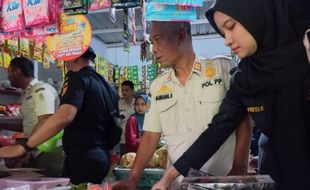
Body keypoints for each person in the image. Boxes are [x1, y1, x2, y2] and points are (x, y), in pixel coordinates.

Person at [152, 0, 310, 189]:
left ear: (256, 15)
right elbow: (216, 131)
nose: (227, 39)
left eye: (231, 27)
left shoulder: (306, 50)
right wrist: (168, 178)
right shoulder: (245, 79)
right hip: (280, 173)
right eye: (223, 32)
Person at [112, 21, 252, 190]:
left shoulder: (221, 69)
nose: (153, 49)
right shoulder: (159, 85)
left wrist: (240, 166)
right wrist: (132, 178)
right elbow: (150, 135)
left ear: (180, 35)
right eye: (151, 43)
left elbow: (242, 119)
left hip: (223, 181)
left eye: (157, 40)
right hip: (177, 184)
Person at [0, 47, 120, 185]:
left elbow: (65, 116)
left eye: (65, 58)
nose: (64, 63)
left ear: (74, 57)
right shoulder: (107, 86)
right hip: (101, 156)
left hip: (82, 157)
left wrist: (25, 146)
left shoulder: (76, 77)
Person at [3, 57, 62, 176]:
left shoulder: (41, 90)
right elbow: (30, 123)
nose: (7, 77)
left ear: (17, 72)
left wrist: (24, 147)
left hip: (49, 150)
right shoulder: (27, 93)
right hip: (35, 149)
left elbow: (45, 120)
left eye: (9, 72)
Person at [119, 80, 135, 154]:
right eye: (123, 90)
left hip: (134, 140)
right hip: (122, 140)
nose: (124, 92)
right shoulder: (118, 104)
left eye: (126, 90)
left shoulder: (138, 104)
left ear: (132, 91)